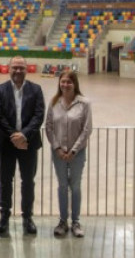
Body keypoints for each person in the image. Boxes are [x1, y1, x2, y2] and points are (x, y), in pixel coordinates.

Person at [0, 56, 45, 236]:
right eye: (14, 68)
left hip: (28, 144)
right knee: (5, 182)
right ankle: (4, 217)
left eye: (21, 68)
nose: (17, 71)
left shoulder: (36, 89)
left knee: (28, 182)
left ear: (27, 69)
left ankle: (27, 218)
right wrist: (13, 135)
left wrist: (24, 135)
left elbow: (39, 116)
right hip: (6, 145)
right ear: (9, 69)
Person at [46, 70, 92, 238]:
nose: (65, 85)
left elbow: (87, 129)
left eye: (69, 82)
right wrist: (57, 148)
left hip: (77, 154)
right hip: (58, 153)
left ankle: (76, 221)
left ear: (75, 84)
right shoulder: (53, 103)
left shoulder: (84, 104)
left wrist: (74, 150)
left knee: (76, 186)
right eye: (62, 81)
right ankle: (63, 221)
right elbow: (49, 127)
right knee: (62, 186)